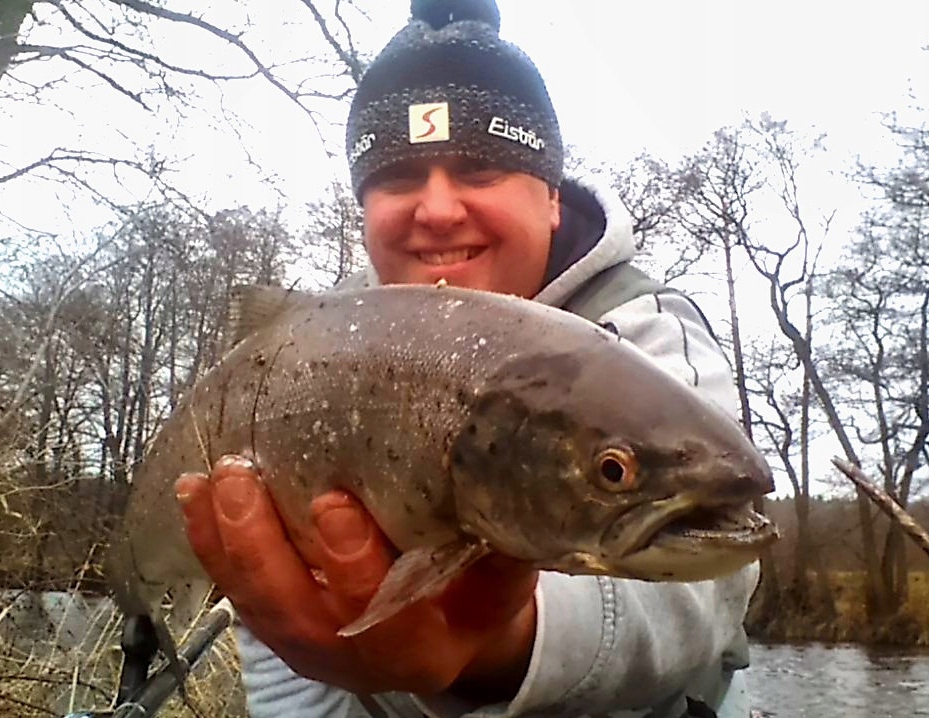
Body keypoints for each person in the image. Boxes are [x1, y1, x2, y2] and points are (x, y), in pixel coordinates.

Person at [172, 1, 760, 715]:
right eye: (398, 178)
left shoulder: (649, 330)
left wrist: (497, 645)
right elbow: (274, 615)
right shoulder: (310, 358)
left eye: (479, 169)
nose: (438, 210)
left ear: (551, 197)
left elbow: (706, 596)